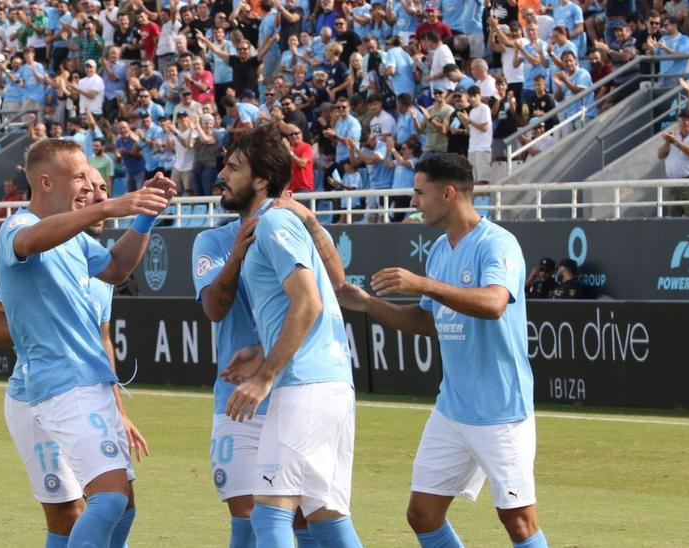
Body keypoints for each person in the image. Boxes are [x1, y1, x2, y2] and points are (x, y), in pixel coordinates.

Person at [335, 153, 547, 548]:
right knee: (422, 514)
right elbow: (427, 322)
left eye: (420, 192)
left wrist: (424, 285)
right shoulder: (439, 251)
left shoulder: (497, 243)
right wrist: (368, 304)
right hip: (452, 408)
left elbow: (493, 303)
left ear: (448, 193)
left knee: (518, 521)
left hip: (500, 409)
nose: (413, 202)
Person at [0, 139, 175, 547]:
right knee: (105, 501)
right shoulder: (16, 227)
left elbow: (116, 268)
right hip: (60, 385)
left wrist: (145, 217)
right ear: (44, 181)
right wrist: (110, 206)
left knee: (123, 504)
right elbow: (30, 242)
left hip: (92, 384)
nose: (87, 185)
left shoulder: (76, 239)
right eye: (78, 176)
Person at [215, 124, 362, 547]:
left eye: (234, 167)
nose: (223, 174)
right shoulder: (278, 222)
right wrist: (262, 354)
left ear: (261, 180)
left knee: (270, 515)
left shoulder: (274, 221)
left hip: (305, 387)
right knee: (326, 516)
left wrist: (265, 377)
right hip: (325, 383)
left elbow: (309, 302)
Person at [659, 112, 689, 217]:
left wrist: (676, 142)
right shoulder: (674, 136)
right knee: (673, 219)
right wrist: (667, 142)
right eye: (683, 120)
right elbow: (660, 155)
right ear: (678, 121)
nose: (686, 122)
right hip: (673, 184)